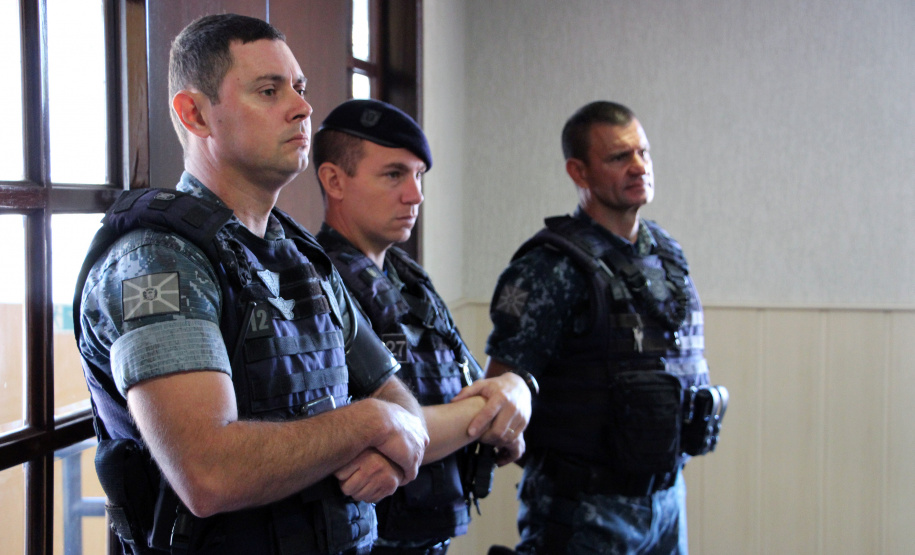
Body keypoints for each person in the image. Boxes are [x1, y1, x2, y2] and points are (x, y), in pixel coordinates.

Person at [73, 14, 429, 555]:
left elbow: (402, 401)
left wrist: (393, 448)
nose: (303, 108)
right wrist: (372, 424)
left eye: (300, 88)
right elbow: (210, 473)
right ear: (195, 114)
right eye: (269, 90)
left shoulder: (302, 257)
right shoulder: (158, 260)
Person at [484, 101, 726, 554]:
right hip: (584, 510)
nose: (639, 167)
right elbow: (502, 387)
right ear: (579, 172)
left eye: (643, 153)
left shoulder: (666, 253)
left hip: (668, 499)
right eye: (619, 158)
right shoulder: (549, 267)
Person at [312, 99, 534, 555]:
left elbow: (474, 383)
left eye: (418, 177)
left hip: (429, 534)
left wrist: (515, 387)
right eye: (394, 175)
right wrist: (495, 406)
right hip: (368, 540)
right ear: (334, 180)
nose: (414, 195)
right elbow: (375, 432)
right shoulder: (317, 281)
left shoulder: (409, 278)